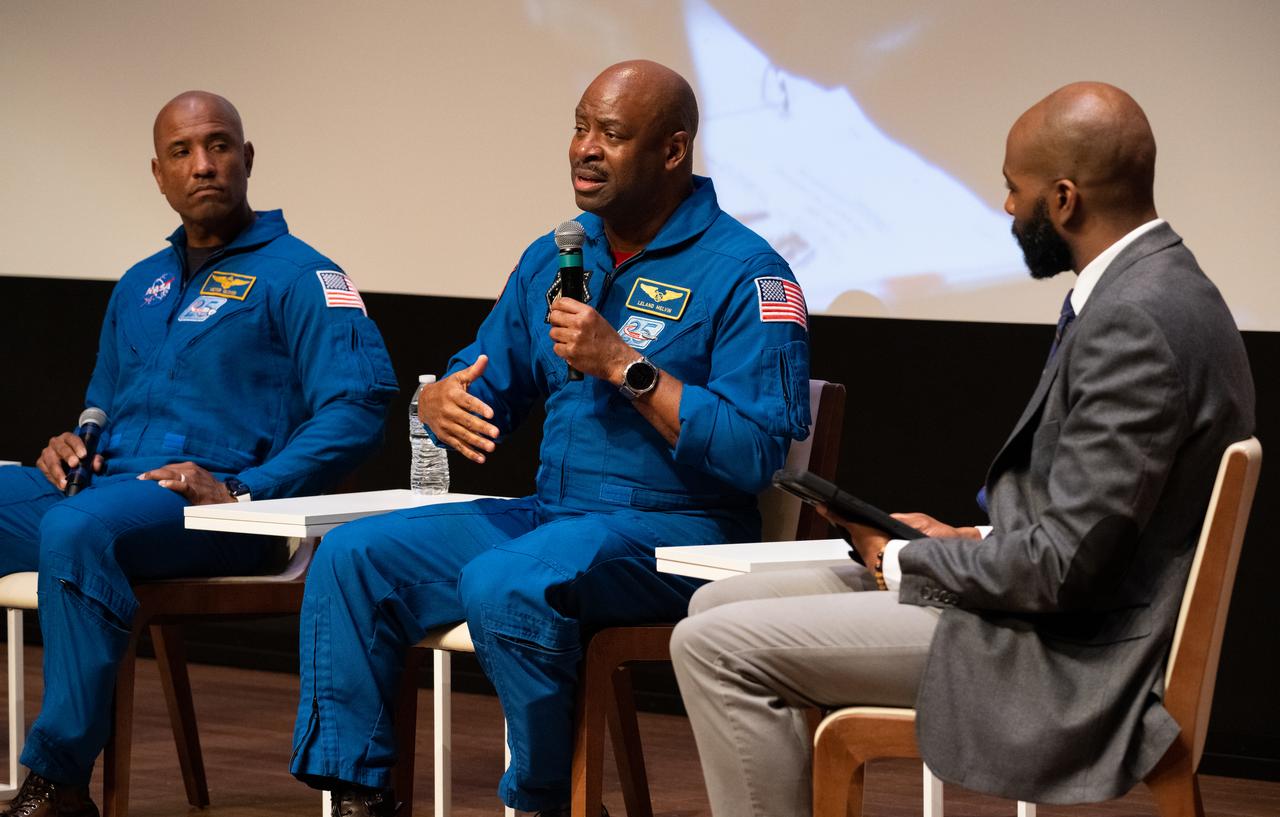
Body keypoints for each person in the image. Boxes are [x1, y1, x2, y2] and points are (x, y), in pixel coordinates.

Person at [670, 82, 1256, 816]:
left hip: (1066, 651)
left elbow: (1060, 568)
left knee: (713, 647)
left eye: (1015, 190)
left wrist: (910, 558)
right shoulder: (1160, 287)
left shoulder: (1135, 319)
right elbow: (1094, 522)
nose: (1008, 208)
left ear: (1066, 199)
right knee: (717, 603)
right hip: (1054, 608)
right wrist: (963, 538)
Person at [288, 60, 812, 817]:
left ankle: (547, 802)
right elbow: (485, 376)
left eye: (612, 133)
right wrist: (439, 399)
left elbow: (755, 452)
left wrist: (624, 365)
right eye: (578, 126)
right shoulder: (556, 257)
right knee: (352, 556)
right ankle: (361, 797)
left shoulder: (750, 274)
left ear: (672, 150)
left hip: (682, 531)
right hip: (556, 513)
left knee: (509, 579)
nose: (584, 148)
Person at [0, 91, 397, 817]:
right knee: (52, 513)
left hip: (217, 514)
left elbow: (359, 407)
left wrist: (247, 490)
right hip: (108, 492)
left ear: (247, 160)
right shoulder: (139, 285)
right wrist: (73, 441)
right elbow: (101, 401)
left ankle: (57, 780)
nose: (203, 164)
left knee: (77, 531)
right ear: (158, 173)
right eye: (182, 152)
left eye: (219, 146)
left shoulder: (303, 275)